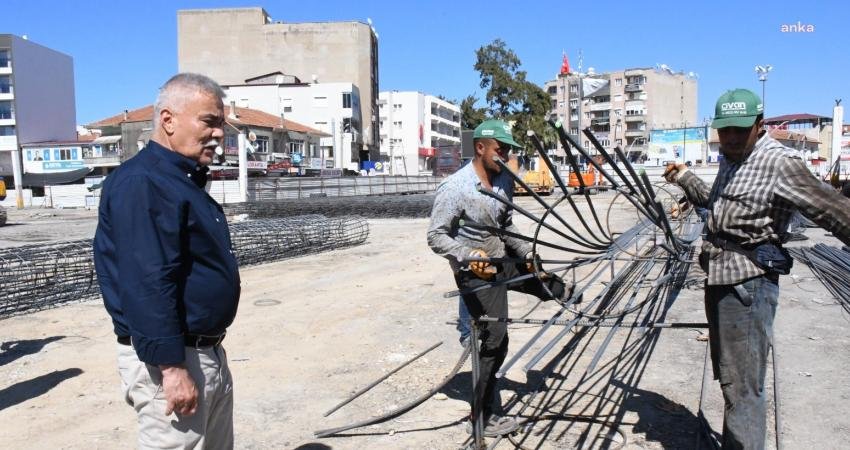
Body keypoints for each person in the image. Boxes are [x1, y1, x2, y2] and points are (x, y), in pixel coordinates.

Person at [664, 88, 850, 449]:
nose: (731, 137)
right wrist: (686, 178)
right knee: (733, 380)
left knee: (744, 389)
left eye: (739, 129)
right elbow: (718, 208)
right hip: (721, 277)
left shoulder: (780, 163)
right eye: (724, 130)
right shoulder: (731, 159)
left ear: (759, 125)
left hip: (747, 286)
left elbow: (833, 210)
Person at [94, 73, 241, 449]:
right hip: (175, 358)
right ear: (168, 120)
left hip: (204, 352)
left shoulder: (180, 181)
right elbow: (147, 283)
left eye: (221, 124)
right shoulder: (144, 183)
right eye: (208, 121)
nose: (219, 133)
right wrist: (173, 368)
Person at [428, 119, 568, 437]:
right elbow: (435, 236)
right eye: (500, 149)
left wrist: (527, 255)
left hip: (500, 256)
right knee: (495, 339)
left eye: (507, 150)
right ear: (480, 148)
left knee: (547, 282)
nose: (504, 156)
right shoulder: (455, 188)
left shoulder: (503, 178)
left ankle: (573, 298)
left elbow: (507, 224)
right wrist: (467, 254)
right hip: (473, 272)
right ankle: (482, 417)